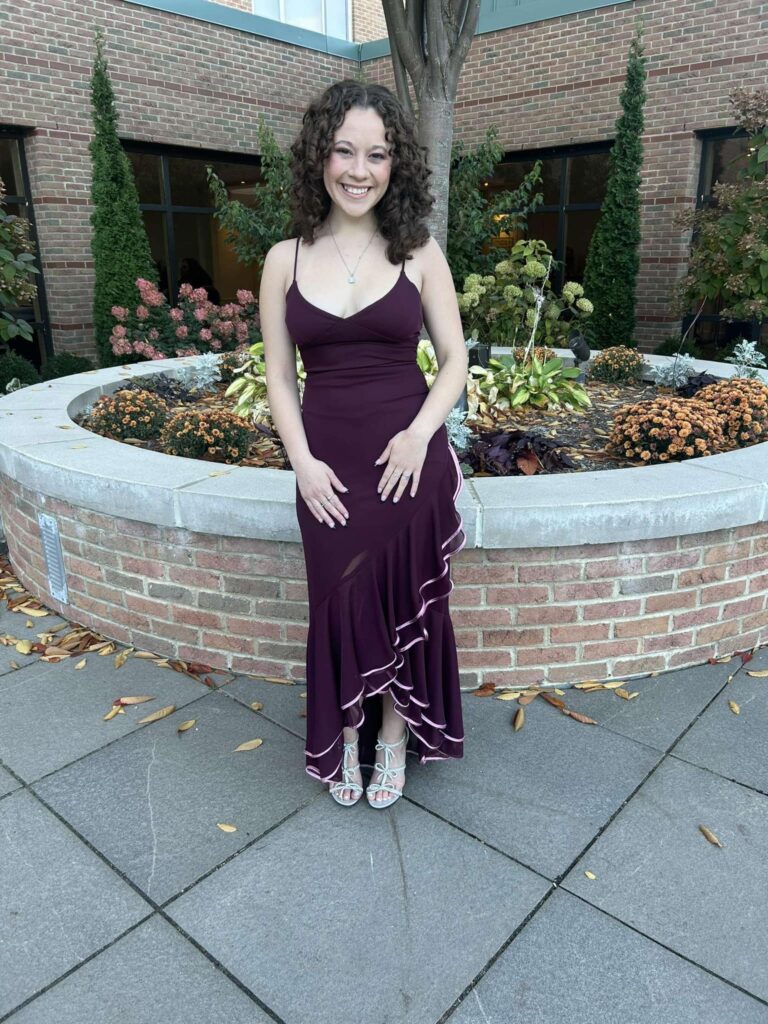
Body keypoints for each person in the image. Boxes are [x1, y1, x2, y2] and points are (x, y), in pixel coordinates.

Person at [259, 79, 469, 809]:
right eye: (344, 150)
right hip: (327, 469)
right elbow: (280, 380)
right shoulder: (282, 259)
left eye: (376, 154)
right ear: (320, 156)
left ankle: (394, 737)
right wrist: (303, 464)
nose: (358, 169)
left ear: (394, 165)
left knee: (403, 601)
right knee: (338, 602)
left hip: (408, 465)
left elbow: (454, 363)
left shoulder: (418, 252)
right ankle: (343, 736)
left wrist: (419, 437)